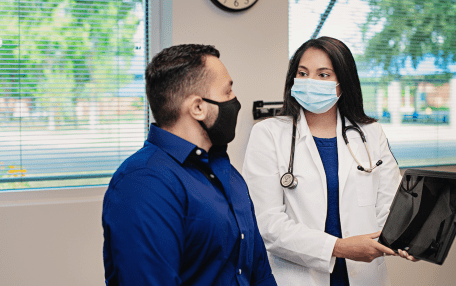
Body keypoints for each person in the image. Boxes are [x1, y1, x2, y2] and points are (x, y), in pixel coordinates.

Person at [242, 37, 415, 286]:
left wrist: (406, 241)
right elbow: (267, 223)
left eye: (323, 75)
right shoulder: (268, 133)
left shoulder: (370, 133)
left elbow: (390, 207)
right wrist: (339, 247)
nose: (310, 82)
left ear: (343, 82)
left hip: (365, 276)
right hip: (297, 277)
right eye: (303, 73)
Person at [102, 44, 277, 286]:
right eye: (227, 92)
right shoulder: (143, 183)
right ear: (198, 108)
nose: (235, 101)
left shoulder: (227, 173)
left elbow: (259, 272)